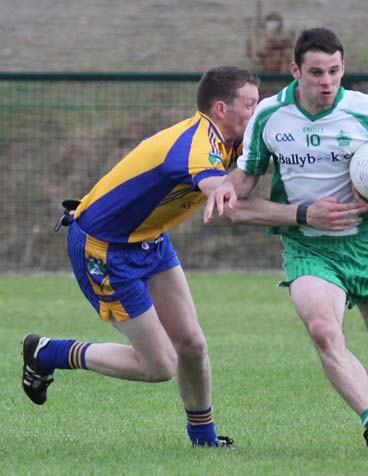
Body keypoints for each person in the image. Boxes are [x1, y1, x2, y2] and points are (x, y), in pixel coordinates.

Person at [204, 28, 368, 458]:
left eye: (334, 71)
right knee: (324, 331)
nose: (326, 82)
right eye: (316, 72)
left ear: (343, 67)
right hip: (309, 246)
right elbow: (248, 174)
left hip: (367, 244)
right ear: (295, 71)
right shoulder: (270, 115)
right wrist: (226, 185)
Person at [21, 65, 260, 447]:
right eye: (250, 104)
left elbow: (253, 162)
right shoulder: (195, 147)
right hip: (105, 248)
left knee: (193, 345)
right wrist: (302, 217)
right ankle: (48, 352)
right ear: (221, 109)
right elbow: (229, 202)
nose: (257, 111)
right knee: (159, 365)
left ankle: (204, 440)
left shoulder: (231, 138)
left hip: (149, 239)